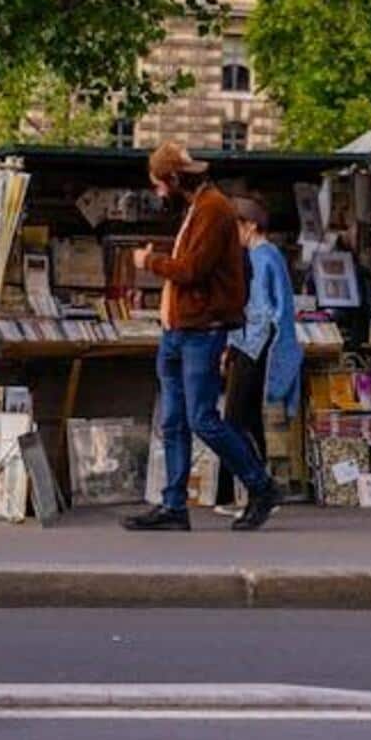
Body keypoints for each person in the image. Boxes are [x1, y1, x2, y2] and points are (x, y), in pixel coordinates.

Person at [121, 143, 281, 532]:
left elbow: (193, 269)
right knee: (174, 421)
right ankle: (174, 505)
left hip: (200, 332)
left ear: (175, 180)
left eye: (160, 184)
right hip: (178, 331)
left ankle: (261, 487)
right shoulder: (199, 208)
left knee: (202, 419)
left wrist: (149, 262)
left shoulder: (213, 209)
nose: (158, 193)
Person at [217, 194, 302, 515]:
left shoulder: (260, 257)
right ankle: (252, 491)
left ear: (250, 225)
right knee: (250, 420)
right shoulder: (272, 255)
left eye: (235, 226)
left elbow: (260, 310)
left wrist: (236, 341)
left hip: (253, 344)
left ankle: (257, 491)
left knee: (234, 420)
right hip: (261, 343)